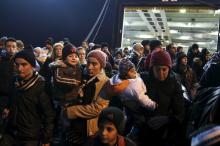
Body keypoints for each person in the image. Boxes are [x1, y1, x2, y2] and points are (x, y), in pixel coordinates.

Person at [0, 46, 55, 146]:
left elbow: (49, 115)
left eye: (24, 64)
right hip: (10, 133)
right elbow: (11, 100)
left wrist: (46, 139)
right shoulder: (14, 80)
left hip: (30, 137)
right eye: (17, 65)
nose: (19, 68)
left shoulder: (41, 85)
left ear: (32, 65)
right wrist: (7, 108)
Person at [105, 58, 156, 143]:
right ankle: (131, 136)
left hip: (128, 107)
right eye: (131, 71)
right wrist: (153, 105)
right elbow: (142, 98)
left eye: (134, 69)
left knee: (129, 120)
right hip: (136, 107)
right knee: (139, 121)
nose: (135, 72)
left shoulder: (119, 79)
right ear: (125, 74)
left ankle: (125, 135)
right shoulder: (132, 85)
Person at [140, 50, 185, 146]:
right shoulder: (143, 80)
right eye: (157, 69)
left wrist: (167, 119)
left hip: (166, 133)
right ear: (152, 69)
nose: (161, 73)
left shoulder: (174, 83)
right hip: (143, 131)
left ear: (169, 68)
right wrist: (143, 119)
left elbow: (180, 111)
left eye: (164, 69)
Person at [65, 50, 109, 146]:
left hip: (89, 130)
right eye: (88, 62)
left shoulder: (106, 83)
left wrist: (70, 111)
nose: (89, 67)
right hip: (71, 127)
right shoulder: (80, 75)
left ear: (101, 65)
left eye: (94, 64)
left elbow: (98, 108)